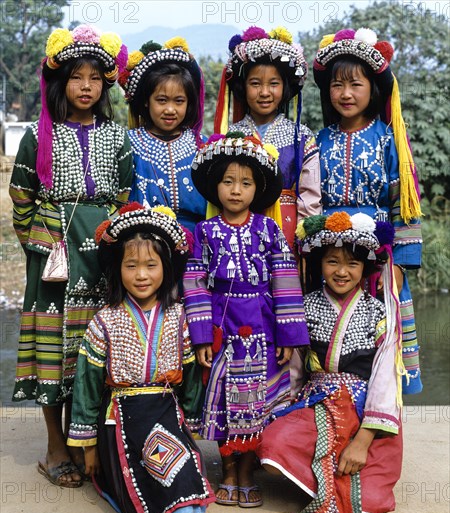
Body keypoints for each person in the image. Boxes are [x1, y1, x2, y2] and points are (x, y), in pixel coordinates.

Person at [10, 24, 133, 487]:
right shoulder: (37, 136)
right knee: (52, 349)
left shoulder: (117, 138)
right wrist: (39, 243)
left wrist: (108, 239)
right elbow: (21, 192)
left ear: (105, 84)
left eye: (95, 77)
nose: (85, 86)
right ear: (60, 82)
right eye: (76, 77)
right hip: (53, 258)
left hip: (100, 251)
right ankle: (55, 445)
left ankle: (90, 441)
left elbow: (124, 195)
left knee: (95, 346)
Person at [67, 204, 214, 513]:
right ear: (118, 269)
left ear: (166, 268)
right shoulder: (105, 321)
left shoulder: (179, 318)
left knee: (182, 464)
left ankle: (183, 510)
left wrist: (191, 421)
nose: (142, 275)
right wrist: (88, 446)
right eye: (131, 266)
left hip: (165, 410)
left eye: (151, 265)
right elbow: (87, 385)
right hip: (121, 415)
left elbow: (189, 375)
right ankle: (173, 510)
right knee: (151, 458)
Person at [258, 212, 403, 513]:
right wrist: (277, 411)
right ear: (319, 263)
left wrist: (363, 443)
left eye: (352, 264)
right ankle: (324, 482)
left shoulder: (380, 313)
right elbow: (294, 371)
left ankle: (326, 480)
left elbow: (385, 382)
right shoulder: (304, 308)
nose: (341, 271)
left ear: (365, 268)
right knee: (271, 448)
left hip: (365, 415)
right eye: (332, 261)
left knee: (373, 509)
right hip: (317, 403)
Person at [183, 132, 310, 508]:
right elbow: (195, 282)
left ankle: (247, 470)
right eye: (228, 181)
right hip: (225, 331)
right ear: (214, 186)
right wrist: (202, 336)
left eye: (245, 183)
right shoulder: (204, 233)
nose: (236, 190)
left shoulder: (268, 230)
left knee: (256, 405)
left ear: (258, 189)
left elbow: (285, 280)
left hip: (262, 328)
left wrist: (289, 336)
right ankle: (226, 471)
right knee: (225, 402)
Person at [313, 27, 423, 393]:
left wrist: (402, 263)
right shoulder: (319, 140)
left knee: (380, 336)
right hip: (329, 253)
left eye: (355, 84)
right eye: (337, 85)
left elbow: (402, 200)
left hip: (378, 256)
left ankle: (382, 417)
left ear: (373, 89)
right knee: (331, 336)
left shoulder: (388, 139)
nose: (345, 94)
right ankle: (333, 408)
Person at [214, 26, 322, 251]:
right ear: (243, 87)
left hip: (289, 230)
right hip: (238, 231)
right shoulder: (229, 137)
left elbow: (311, 197)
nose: (264, 92)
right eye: (255, 84)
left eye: (274, 84)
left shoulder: (301, 136)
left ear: (285, 87)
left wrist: (306, 238)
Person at [119, 37, 207, 234]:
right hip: (143, 243)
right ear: (145, 102)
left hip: (197, 244)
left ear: (189, 104)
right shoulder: (127, 144)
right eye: (161, 100)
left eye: (179, 101)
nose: (170, 109)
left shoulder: (203, 146)